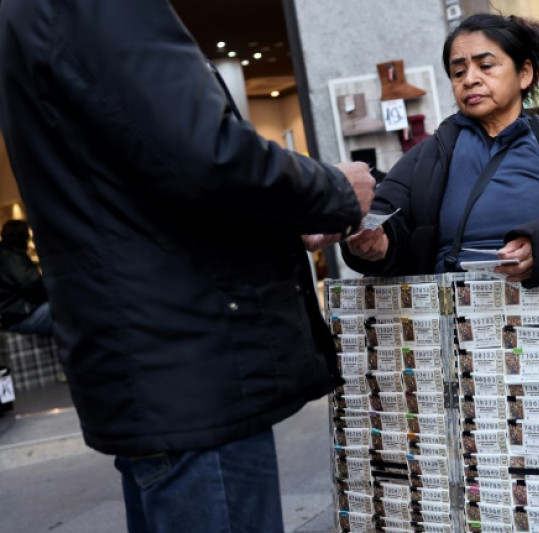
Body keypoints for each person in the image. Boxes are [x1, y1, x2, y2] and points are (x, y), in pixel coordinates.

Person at [0, 2, 376, 532]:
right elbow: (207, 154)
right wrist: (334, 189)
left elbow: (143, 173)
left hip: (154, 357)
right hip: (190, 356)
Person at [340, 13, 539, 286]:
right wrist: (377, 243)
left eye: (486, 66)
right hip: (458, 338)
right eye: (459, 71)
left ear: (524, 74)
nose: (470, 79)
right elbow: (385, 215)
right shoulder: (429, 156)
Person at [0, 220, 52, 336]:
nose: (30, 242)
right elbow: (31, 283)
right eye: (28, 237)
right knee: (66, 310)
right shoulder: (10, 257)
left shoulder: (8, 255)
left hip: (17, 314)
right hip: (21, 315)